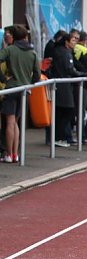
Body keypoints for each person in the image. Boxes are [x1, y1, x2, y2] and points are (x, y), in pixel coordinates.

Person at [0, 24, 40, 163]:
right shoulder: (33, 53)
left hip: (11, 88)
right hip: (25, 90)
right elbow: (37, 75)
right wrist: (29, 81)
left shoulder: (10, 50)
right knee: (16, 122)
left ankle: (9, 154)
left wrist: (3, 78)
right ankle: (15, 154)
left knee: (10, 122)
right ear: (25, 36)